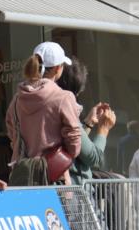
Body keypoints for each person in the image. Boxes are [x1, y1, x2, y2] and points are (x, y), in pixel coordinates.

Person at [6, 41, 82, 185]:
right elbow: (74, 140)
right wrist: (68, 154)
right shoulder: (63, 97)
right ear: (57, 69)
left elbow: (12, 134)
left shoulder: (17, 99)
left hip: (22, 176)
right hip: (53, 175)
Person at [55, 56, 117, 185]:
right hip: (74, 189)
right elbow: (94, 158)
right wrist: (104, 129)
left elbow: (75, 144)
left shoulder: (45, 109)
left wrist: (88, 123)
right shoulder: (65, 113)